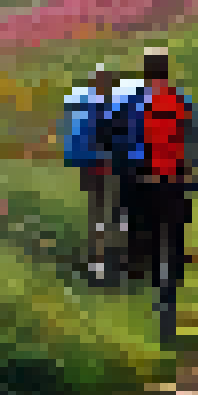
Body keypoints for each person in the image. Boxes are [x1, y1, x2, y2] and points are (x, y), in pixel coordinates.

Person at [110, 46, 198, 345]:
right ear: (167, 70)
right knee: (174, 243)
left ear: (144, 71)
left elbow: (119, 143)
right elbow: (195, 144)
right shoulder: (181, 101)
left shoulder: (131, 102)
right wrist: (196, 178)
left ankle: (152, 307)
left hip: (142, 182)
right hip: (176, 182)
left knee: (147, 243)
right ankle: (169, 306)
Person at [60, 64, 127, 285]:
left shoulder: (81, 103)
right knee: (115, 216)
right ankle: (115, 265)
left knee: (97, 217)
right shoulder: (116, 106)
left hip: (89, 168)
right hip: (112, 169)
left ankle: (98, 267)